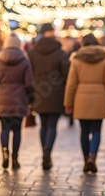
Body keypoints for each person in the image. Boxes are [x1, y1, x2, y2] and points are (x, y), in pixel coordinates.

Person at [64, 33, 105, 173]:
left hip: (81, 100)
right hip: (99, 100)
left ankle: (85, 159)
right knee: (96, 130)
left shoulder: (76, 59)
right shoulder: (104, 59)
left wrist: (68, 104)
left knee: (84, 131)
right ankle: (92, 157)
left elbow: (71, 84)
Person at [0, 32, 34, 169]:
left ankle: (4, 153)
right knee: (17, 130)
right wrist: (30, 100)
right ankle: (15, 158)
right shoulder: (24, 61)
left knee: (4, 129)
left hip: (2, 99)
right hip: (18, 100)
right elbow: (30, 84)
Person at [28, 23, 70, 170]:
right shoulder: (60, 52)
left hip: (39, 92)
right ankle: (48, 152)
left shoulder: (33, 53)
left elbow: (29, 74)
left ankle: (44, 152)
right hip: (56, 94)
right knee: (52, 125)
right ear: (52, 33)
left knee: (43, 125)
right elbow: (66, 74)